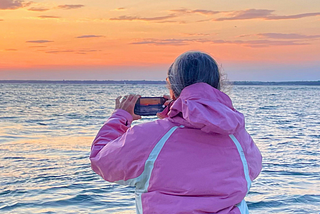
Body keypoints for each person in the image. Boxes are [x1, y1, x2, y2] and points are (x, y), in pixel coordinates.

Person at [90, 51, 262, 214]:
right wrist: (182, 114)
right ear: (218, 86)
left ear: (172, 88)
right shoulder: (237, 136)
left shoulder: (152, 137)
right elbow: (252, 170)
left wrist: (121, 116)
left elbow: (101, 160)